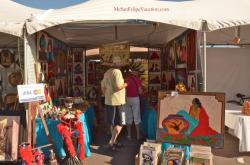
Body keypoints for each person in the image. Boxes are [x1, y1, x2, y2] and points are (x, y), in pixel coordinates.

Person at [101, 56, 127, 151]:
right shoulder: (117, 72)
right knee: (121, 122)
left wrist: (107, 95)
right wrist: (126, 84)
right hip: (119, 102)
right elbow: (118, 87)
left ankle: (114, 141)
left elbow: (102, 87)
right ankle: (112, 141)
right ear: (119, 65)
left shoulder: (107, 73)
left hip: (109, 101)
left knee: (113, 123)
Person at [124, 69, 142, 140]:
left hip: (127, 99)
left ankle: (129, 135)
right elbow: (140, 91)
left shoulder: (127, 80)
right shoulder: (137, 80)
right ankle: (138, 136)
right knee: (136, 117)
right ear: (136, 73)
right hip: (135, 99)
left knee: (128, 117)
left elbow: (124, 90)